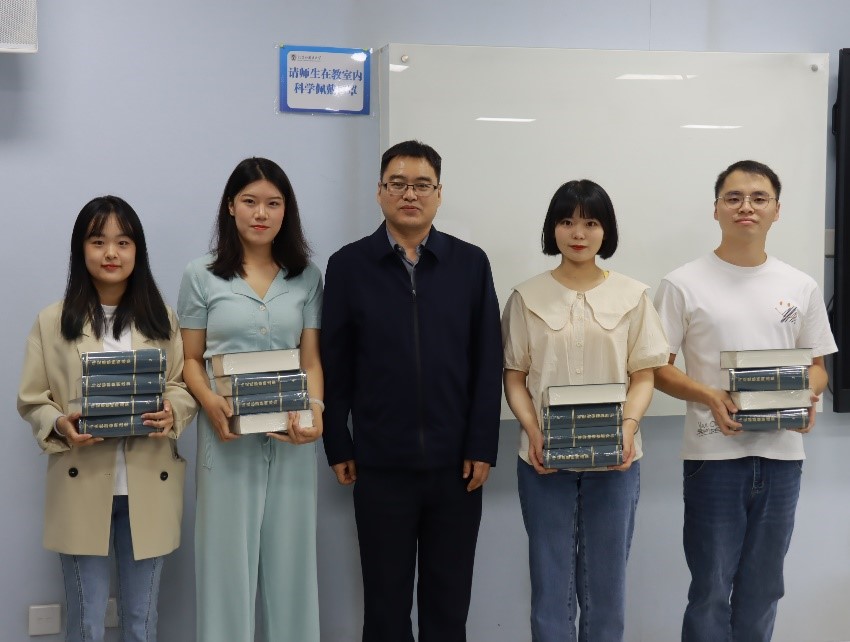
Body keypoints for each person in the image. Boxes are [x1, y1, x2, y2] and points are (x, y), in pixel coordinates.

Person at [321, 140, 503, 642]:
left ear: (439, 194)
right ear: (379, 191)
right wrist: (338, 442)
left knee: (448, 606)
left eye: (422, 185)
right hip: (380, 465)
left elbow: (488, 360)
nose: (410, 194)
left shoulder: (470, 264)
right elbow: (334, 363)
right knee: (385, 607)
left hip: (457, 468)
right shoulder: (348, 265)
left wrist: (482, 444)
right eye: (397, 184)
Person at [653, 160, 837, 642]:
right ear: (716, 209)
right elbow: (657, 369)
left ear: (777, 210)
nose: (746, 207)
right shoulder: (682, 283)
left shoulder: (800, 284)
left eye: (759, 198)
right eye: (733, 198)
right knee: (710, 590)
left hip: (781, 457)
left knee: (764, 589)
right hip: (713, 457)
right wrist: (709, 395)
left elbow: (818, 367)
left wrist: (807, 394)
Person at [17, 196, 197, 642]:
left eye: (123, 242)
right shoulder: (52, 321)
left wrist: (172, 410)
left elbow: (181, 385)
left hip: (149, 481)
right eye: (98, 241)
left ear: (138, 250)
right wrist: (61, 424)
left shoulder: (162, 319)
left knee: (141, 621)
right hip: (80, 481)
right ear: (81, 249)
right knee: (86, 622)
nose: (111, 253)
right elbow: (33, 400)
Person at [501, 179, 669, 641]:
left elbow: (644, 374)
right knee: (550, 583)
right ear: (552, 229)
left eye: (591, 223)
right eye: (567, 221)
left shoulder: (633, 295)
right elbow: (514, 376)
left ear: (605, 230)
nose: (578, 233)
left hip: (616, 460)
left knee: (606, 586)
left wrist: (628, 427)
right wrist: (534, 431)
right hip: (543, 459)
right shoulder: (525, 297)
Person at [177, 158, 324, 642]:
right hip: (226, 438)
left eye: (273, 203)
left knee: (292, 569)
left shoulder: (306, 277)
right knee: (225, 570)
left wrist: (316, 413)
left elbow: (311, 361)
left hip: (291, 438)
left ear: (286, 211)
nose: (261, 213)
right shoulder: (201, 275)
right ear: (230, 207)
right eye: (250, 201)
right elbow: (190, 359)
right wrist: (208, 402)